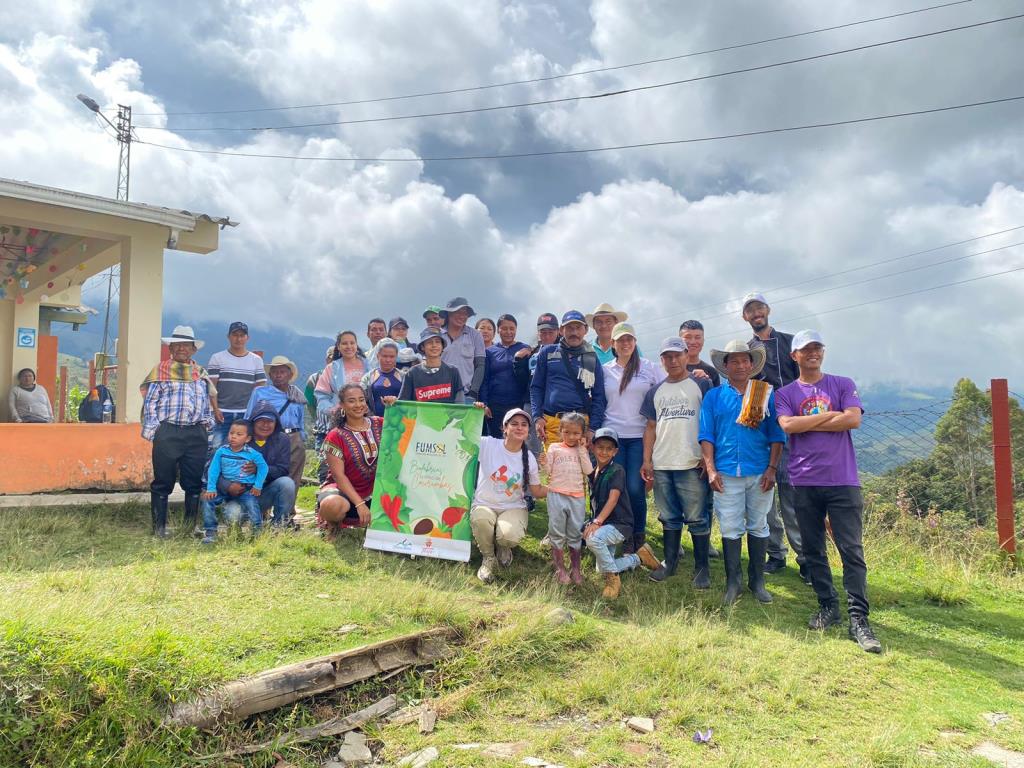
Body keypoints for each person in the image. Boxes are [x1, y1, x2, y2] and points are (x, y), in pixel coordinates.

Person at [776, 330, 881, 653]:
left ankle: (858, 617)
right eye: (805, 349)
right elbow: (788, 426)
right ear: (794, 355)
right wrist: (829, 417)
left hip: (843, 480)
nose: (812, 353)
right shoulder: (786, 392)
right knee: (813, 549)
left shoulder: (842, 383)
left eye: (817, 348)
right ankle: (827, 604)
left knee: (851, 550)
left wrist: (808, 421)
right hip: (804, 480)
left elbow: (852, 420)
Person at [699, 340, 786, 605]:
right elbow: (706, 434)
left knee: (759, 525)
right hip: (725, 472)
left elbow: (776, 434)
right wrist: (711, 469)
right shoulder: (714, 396)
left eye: (744, 360)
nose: (739, 365)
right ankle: (733, 582)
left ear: (752, 364)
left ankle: (757, 581)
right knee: (730, 526)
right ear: (725, 366)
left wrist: (772, 469)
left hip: (759, 470)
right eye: (733, 361)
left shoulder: (765, 393)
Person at [640, 337, 713, 587]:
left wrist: (708, 458)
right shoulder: (655, 391)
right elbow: (650, 427)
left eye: (677, 355)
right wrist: (646, 460)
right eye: (667, 357)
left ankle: (702, 568)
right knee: (669, 516)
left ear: (686, 355)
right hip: (662, 463)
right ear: (661, 360)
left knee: (697, 518)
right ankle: (669, 563)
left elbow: (711, 422)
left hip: (691, 462)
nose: (672, 361)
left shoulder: (701, 384)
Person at [742, 292, 804, 578]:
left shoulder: (791, 342)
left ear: (768, 310)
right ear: (745, 317)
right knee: (764, 496)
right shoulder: (746, 351)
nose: (756, 313)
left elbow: (806, 380)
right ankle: (775, 554)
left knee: (792, 496)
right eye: (750, 310)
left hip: (793, 428)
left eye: (759, 308)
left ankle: (805, 559)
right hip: (761, 427)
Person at [140, 326, 215, 538]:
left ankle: (190, 528)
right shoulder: (161, 371)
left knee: (193, 483)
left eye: (187, 345)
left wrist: (206, 424)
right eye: (178, 345)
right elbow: (151, 402)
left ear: (193, 350)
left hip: (195, 434)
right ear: (171, 348)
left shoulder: (200, 374)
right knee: (163, 482)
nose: (182, 349)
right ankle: (159, 529)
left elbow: (206, 401)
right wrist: (156, 431)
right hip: (168, 432)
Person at [602, 322, 664, 553]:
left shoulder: (649, 367)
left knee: (636, 488)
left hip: (640, 436)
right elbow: (598, 399)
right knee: (614, 488)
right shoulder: (605, 369)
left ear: (635, 342)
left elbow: (670, 385)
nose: (625, 343)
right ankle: (618, 532)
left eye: (630, 339)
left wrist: (698, 372)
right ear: (613, 344)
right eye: (621, 340)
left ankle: (637, 535)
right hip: (612, 437)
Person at [470, 408, 548, 583]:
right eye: (514, 424)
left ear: (528, 431)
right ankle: (488, 558)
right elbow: (462, 434)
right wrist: (474, 413)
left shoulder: (529, 458)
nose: (519, 428)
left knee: (507, 536)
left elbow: (536, 491)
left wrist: (559, 488)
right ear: (504, 428)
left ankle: (503, 546)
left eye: (524, 425)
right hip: (484, 503)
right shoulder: (488, 444)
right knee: (481, 519)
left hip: (513, 508)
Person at [584, 428, 659, 599]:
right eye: (600, 447)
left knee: (593, 539)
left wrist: (597, 521)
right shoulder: (594, 472)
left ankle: (613, 581)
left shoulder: (617, 470)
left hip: (620, 525)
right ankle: (638, 558)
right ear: (593, 448)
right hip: (605, 525)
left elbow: (613, 498)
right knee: (601, 567)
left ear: (615, 451)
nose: (604, 452)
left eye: (609, 448)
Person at [530, 310, 606, 448]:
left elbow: (599, 396)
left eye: (578, 328)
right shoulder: (547, 353)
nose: (574, 332)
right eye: (569, 328)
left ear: (586, 330)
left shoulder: (592, 358)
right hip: (552, 424)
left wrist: (592, 429)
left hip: (581, 425)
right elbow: (536, 388)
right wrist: (537, 417)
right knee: (551, 468)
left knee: (580, 469)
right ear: (561, 330)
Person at [317, 383, 382, 539]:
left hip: (375, 491)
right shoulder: (336, 435)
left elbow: (404, 424)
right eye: (352, 401)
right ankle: (334, 525)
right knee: (332, 505)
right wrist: (359, 504)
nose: (358, 405)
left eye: (361, 400)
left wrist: (394, 405)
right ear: (342, 405)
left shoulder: (381, 423)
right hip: (343, 491)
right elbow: (339, 476)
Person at [244, 355, 307, 503]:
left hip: (294, 436)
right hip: (271, 437)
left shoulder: (296, 395)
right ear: (270, 375)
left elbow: (300, 419)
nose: (278, 375)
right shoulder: (260, 393)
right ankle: (261, 510)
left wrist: (302, 439)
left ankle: (287, 513)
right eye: (275, 372)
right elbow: (249, 416)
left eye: (282, 371)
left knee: (293, 476)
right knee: (265, 471)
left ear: (290, 375)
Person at [200, 419, 268, 543]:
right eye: (231, 433)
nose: (233, 437)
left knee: (253, 506)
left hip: (245, 488)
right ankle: (210, 532)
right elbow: (213, 470)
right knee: (207, 499)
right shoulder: (221, 451)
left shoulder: (253, 454)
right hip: (224, 488)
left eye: (239, 434)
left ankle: (257, 533)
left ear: (247, 439)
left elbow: (264, 468)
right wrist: (211, 488)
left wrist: (258, 486)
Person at [545, 412, 593, 585]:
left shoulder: (582, 450)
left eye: (576, 433)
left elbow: (588, 471)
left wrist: (582, 449)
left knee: (575, 533)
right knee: (556, 531)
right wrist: (544, 462)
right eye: (567, 432)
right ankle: (560, 568)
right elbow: (548, 470)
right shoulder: (554, 448)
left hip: (577, 497)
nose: (571, 437)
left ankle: (576, 569)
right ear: (560, 431)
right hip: (556, 494)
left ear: (582, 434)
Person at [206, 322, 266, 451]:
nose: (238, 339)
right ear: (228, 336)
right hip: (222, 413)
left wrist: (254, 412)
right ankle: (213, 472)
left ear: (247, 338)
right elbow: (212, 387)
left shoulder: (256, 360)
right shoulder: (217, 358)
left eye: (242, 335)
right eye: (235, 335)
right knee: (216, 448)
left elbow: (260, 388)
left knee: (243, 449)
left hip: (245, 413)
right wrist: (215, 410)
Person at [244, 402, 298, 528]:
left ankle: (279, 525)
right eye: (261, 420)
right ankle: (240, 523)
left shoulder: (282, 439)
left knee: (287, 483)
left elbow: (283, 469)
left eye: (270, 421)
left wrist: (260, 469)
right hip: (241, 494)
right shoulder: (241, 437)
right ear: (253, 422)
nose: (265, 425)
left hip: (265, 494)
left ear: (276, 423)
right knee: (233, 514)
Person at [479, 313, 531, 438]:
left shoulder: (525, 349)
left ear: (516, 330)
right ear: (498, 330)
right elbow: (484, 380)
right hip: (495, 405)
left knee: (516, 440)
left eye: (511, 328)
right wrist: (485, 403)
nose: (508, 332)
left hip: (518, 404)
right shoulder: (490, 351)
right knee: (496, 440)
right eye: (504, 328)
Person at [315, 331, 369, 432]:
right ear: (338, 347)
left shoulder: (368, 365)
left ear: (356, 345)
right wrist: (334, 410)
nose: (349, 346)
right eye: (344, 343)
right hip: (342, 422)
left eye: (352, 343)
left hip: (368, 418)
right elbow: (321, 396)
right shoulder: (332, 368)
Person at [399, 328, 465, 403]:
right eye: (430, 342)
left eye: (437, 342)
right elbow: (403, 403)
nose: (434, 345)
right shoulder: (412, 373)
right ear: (422, 347)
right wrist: (391, 402)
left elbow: (460, 404)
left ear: (442, 346)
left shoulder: (453, 371)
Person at [440, 297, 486, 403]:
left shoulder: (475, 335)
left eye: (465, 313)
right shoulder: (436, 335)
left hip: (466, 395)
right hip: (438, 393)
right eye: (458, 312)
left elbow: (480, 365)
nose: (462, 316)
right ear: (448, 314)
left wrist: (473, 392)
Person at [362, 338, 403, 416]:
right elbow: (362, 398)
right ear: (378, 356)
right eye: (384, 356)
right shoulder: (368, 378)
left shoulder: (404, 377)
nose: (388, 360)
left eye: (392, 357)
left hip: (399, 421)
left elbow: (410, 399)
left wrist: (397, 401)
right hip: (374, 422)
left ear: (396, 357)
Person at [307, 344, 335, 451]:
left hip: (343, 429)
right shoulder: (314, 378)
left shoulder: (348, 376)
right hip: (322, 431)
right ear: (327, 359)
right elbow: (310, 403)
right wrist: (317, 419)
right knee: (322, 464)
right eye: (332, 358)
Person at [679, 320, 720, 387]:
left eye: (697, 337)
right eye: (688, 337)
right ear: (679, 340)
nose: (692, 342)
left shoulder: (712, 372)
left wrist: (707, 382)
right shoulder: (671, 368)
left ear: (703, 341)